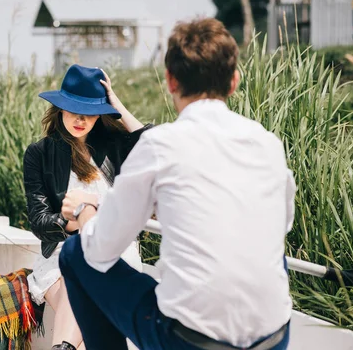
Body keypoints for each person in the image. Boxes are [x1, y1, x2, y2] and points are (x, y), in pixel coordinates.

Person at [58, 18, 296, 350]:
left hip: (190, 343)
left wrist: (86, 208)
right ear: (234, 82)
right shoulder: (269, 143)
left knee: (75, 253)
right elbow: (281, 225)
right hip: (274, 340)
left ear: (170, 81)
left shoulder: (159, 146)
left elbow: (99, 250)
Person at [23, 64, 152, 350]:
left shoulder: (116, 144)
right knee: (78, 270)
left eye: (90, 111)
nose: (81, 119)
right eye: (73, 109)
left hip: (117, 252)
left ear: (101, 114)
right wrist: (70, 219)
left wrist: (116, 103)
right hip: (59, 257)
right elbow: (39, 221)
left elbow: (153, 146)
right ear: (59, 109)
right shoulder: (39, 154)